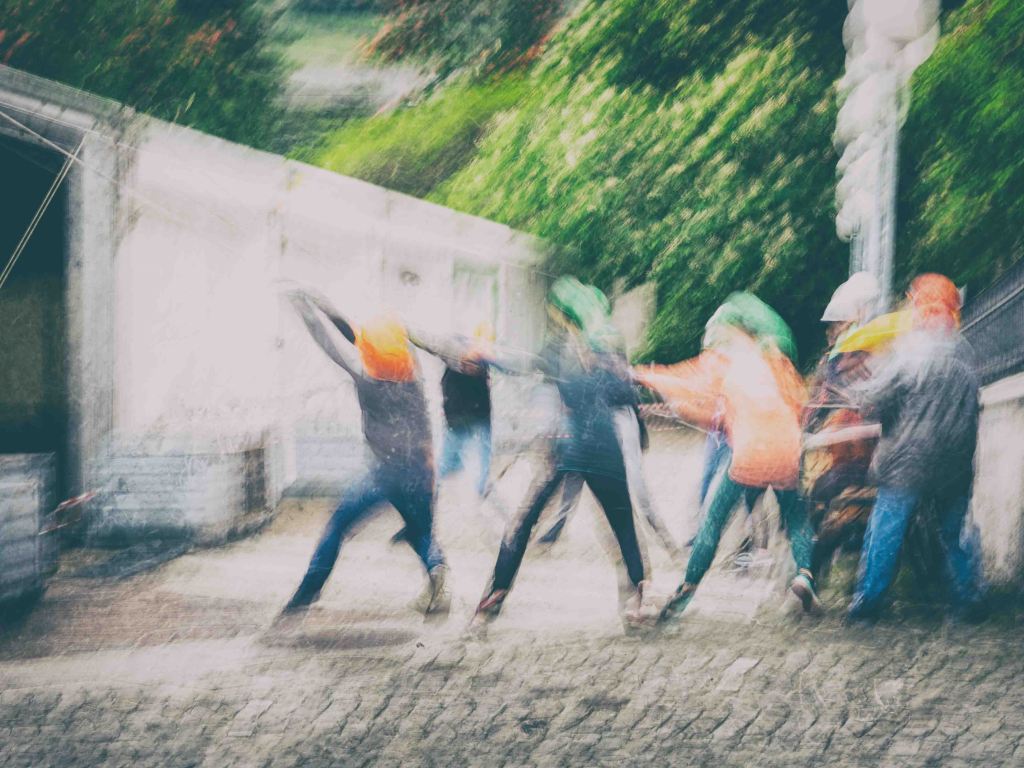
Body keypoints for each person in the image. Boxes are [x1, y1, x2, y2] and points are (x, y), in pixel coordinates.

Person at [473, 277, 656, 628]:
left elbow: (520, 364)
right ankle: (638, 594)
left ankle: (495, 593)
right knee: (623, 526)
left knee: (523, 523)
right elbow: (625, 395)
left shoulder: (558, 349)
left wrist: (486, 355)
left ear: (562, 314)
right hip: (604, 448)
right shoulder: (606, 348)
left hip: (570, 449)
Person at [635, 293, 819, 621]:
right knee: (796, 518)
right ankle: (805, 574)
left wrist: (644, 374)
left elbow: (684, 380)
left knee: (713, 521)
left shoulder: (725, 360)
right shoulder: (776, 359)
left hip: (750, 455)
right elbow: (798, 404)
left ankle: (687, 590)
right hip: (786, 450)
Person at [279, 289, 450, 617]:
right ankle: (437, 567)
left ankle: (307, 592)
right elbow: (364, 337)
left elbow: (333, 346)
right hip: (417, 470)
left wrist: (311, 310)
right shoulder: (413, 380)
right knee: (420, 531)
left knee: (338, 525)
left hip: (384, 472)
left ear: (371, 354)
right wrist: (430, 476)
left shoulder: (367, 384)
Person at [847, 273, 985, 622]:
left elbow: (874, 400)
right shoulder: (967, 354)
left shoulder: (909, 352)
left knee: (886, 528)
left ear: (918, 307)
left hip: (907, 463)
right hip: (955, 464)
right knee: (953, 533)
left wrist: (860, 391)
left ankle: (869, 602)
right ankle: (967, 598)